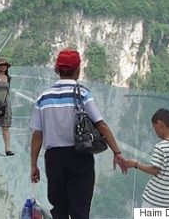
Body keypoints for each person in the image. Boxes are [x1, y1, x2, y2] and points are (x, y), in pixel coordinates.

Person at [30, 48, 127, 219]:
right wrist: (116, 152)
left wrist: (33, 165)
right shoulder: (82, 94)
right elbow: (101, 124)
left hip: (54, 159)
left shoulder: (43, 98)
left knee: (59, 209)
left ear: (57, 70)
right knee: (80, 210)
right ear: (78, 70)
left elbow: (37, 135)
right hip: (79, 156)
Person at [124, 108, 169, 208]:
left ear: (160, 124)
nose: (155, 131)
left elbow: (155, 170)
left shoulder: (161, 147)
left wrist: (135, 164)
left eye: (154, 127)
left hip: (156, 200)